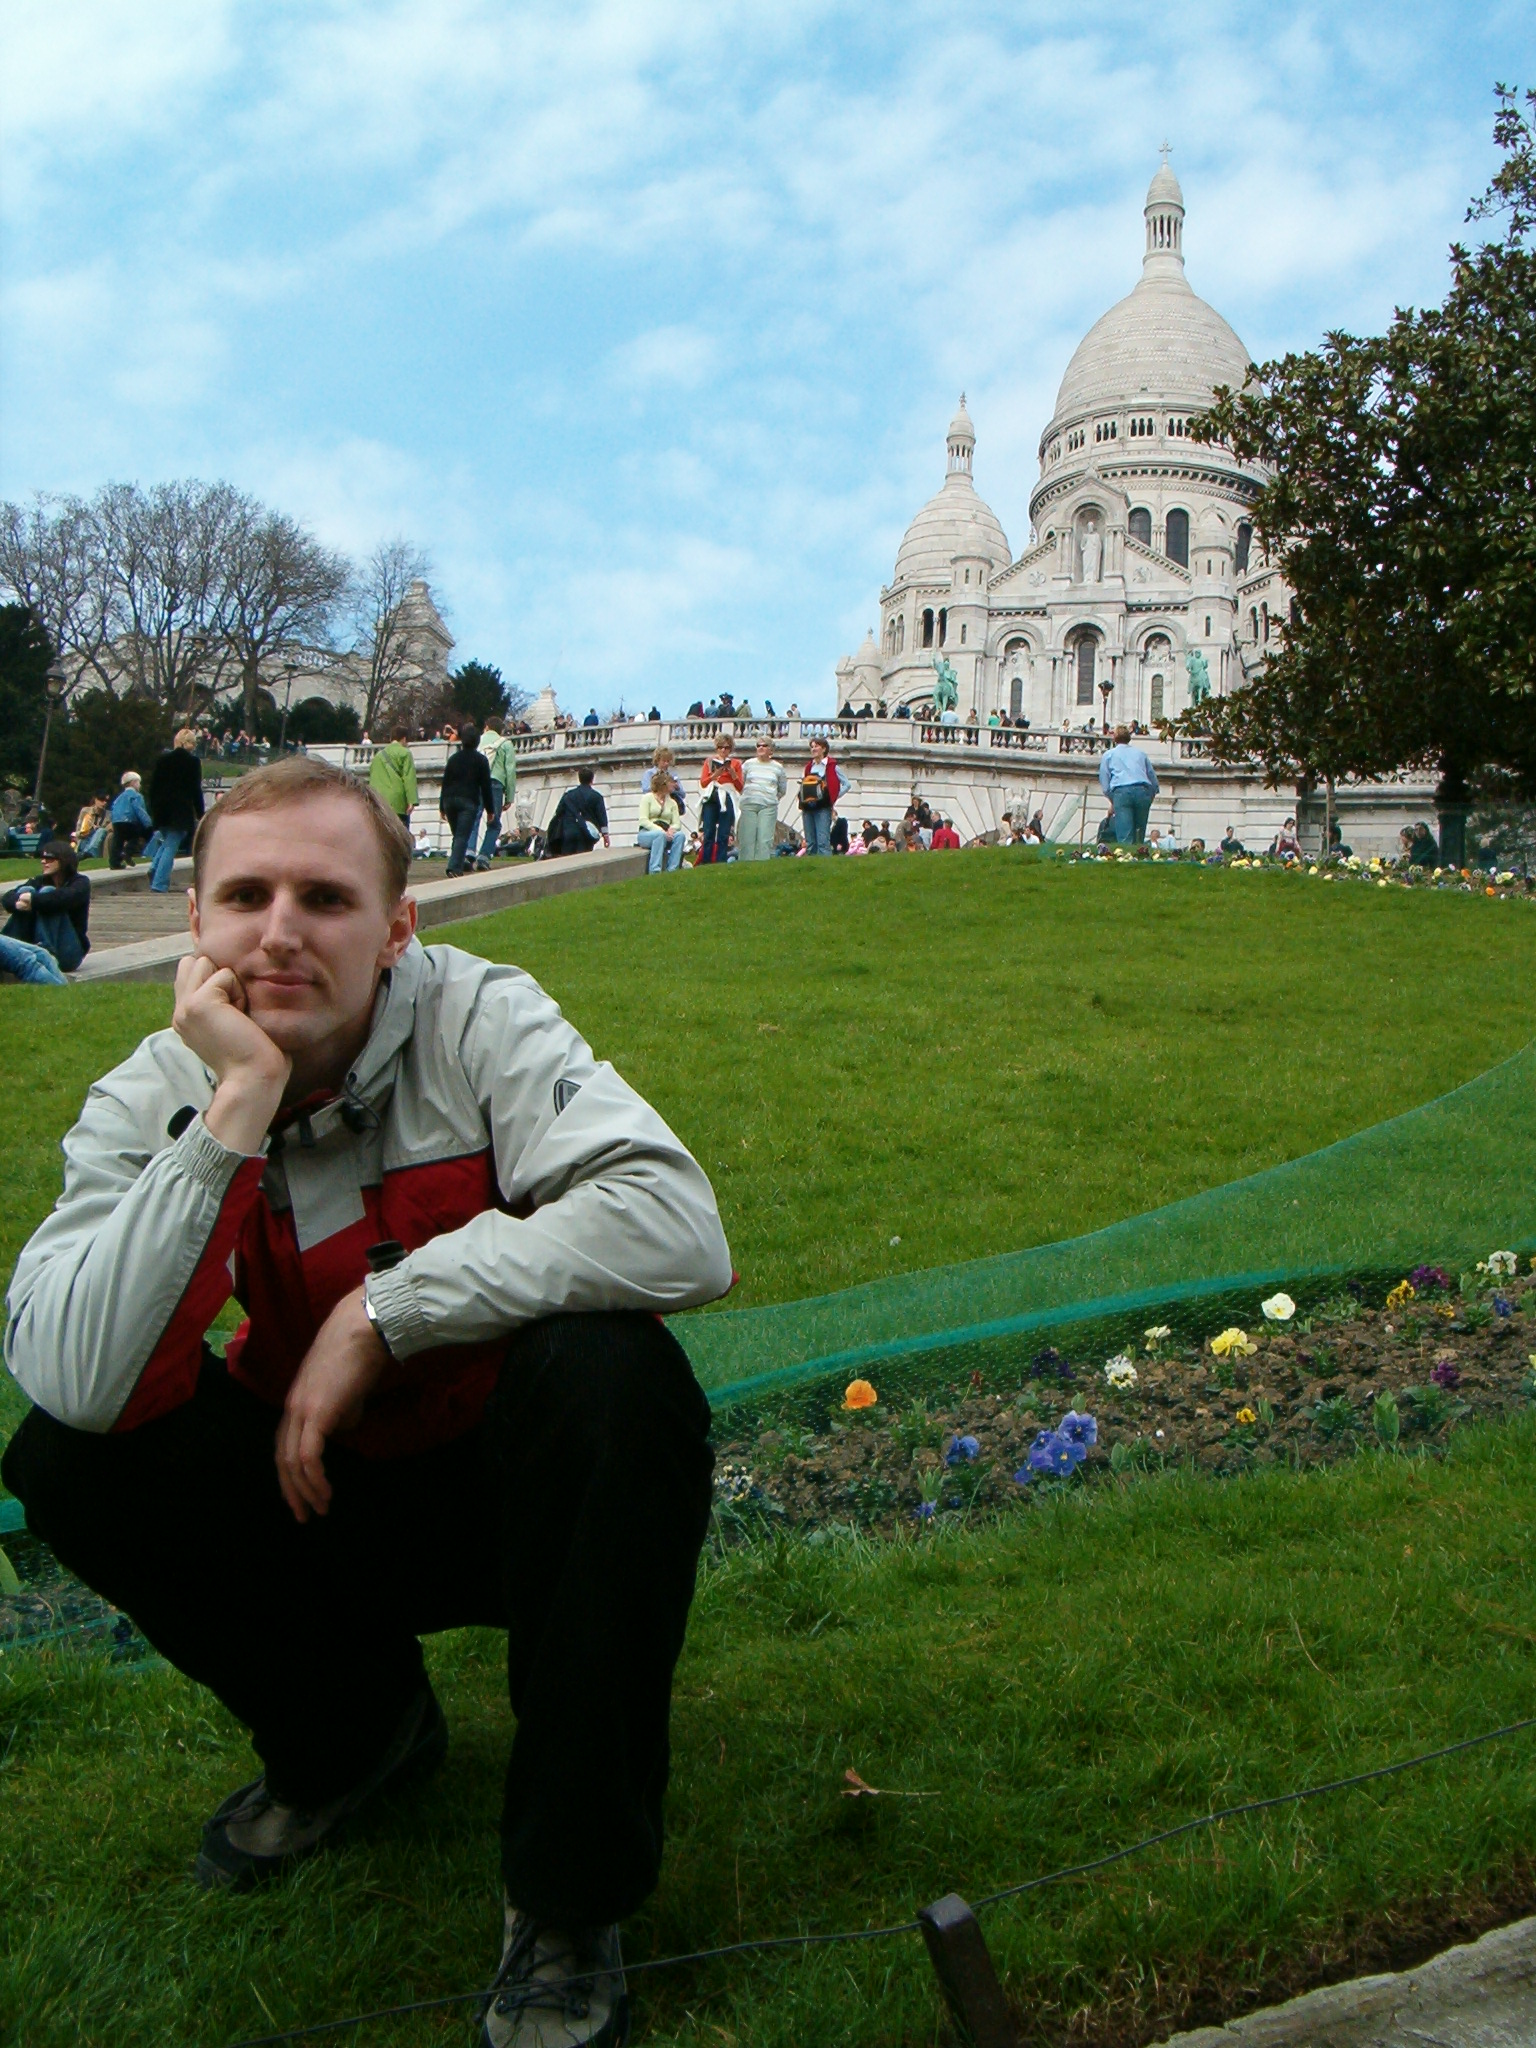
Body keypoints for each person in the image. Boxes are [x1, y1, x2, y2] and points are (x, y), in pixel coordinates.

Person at [0, 755, 731, 2046]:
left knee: (619, 1376)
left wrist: (384, 1314)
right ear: (199, 925)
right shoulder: (155, 1089)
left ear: (398, 926)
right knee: (68, 1459)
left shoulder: (485, 1018)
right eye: (247, 896)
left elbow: (675, 1224)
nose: (281, 931)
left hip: (513, 1494)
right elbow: (73, 1378)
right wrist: (236, 1105)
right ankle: (355, 1739)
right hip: (311, 1501)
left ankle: (566, 1895)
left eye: (327, 899)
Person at [0, 840, 91, 981]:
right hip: (36, 946)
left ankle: (47, 950)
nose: (43, 862)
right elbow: (7, 898)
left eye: (49, 859)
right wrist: (18, 903)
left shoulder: (80, 883)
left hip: (68, 952)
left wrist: (33, 901)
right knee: (26, 891)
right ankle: (10, 942)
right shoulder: (40, 880)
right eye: (42, 858)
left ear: (64, 861)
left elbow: (62, 898)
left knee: (47, 893)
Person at [147, 728, 206, 892]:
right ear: (187, 743)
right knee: (172, 845)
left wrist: (153, 810)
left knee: (167, 841)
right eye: (192, 743)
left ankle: (155, 867)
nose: (194, 746)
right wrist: (200, 813)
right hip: (180, 810)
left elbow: (153, 788)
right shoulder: (192, 762)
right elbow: (195, 790)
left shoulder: (162, 760)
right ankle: (160, 882)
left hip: (162, 810)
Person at [439, 724, 495, 877]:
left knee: (457, 835)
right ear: (477, 742)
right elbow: (486, 787)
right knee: (462, 835)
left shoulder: (453, 759)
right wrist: (490, 810)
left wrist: (441, 807)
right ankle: (454, 867)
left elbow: (445, 783)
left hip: (449, 800)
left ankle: (460, 861)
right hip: (467, 801)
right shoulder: (481, 761)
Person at [1097, 725, 1159, 846]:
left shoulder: (1109, 755)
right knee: (1139, 831)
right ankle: (1139, 855)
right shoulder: (1141, 754)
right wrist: (1151, 795)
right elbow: (1152, 777)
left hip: (1121, 791)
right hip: (1143, 790)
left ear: (1115, 738)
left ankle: (1126, 857)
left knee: (1125, 833)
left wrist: (1113, 799)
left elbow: (1104, 781)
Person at [477, 721, 518, 871]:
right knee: (494, 823)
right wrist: (509, 796)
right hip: (495, 783)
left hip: (478, 783)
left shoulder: (478, 741)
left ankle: (467, 852)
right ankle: (484, 856)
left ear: (486, 727)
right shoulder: (505, 744)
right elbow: (510, 771)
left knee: (474, 818)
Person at [737, 738, 786, 862]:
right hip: (749, 804)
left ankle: (762, 866)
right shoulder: (748, 764)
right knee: (747, 838)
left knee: (765, 839)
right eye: (758, 745)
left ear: (771, 749)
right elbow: (740, 784)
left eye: (764, 745)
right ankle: (745, 865)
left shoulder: (778, 767)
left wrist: (772, 798)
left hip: (768, 805)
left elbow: (782, 789)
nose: (761, 748)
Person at [698, 734, 743, 865]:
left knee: (724, 832)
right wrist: (714, 775)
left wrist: (732, 773)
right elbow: (703, 783)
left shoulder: (736, 763)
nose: (723, 750)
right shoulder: (709, 762)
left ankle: (720, 861)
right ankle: (706, 861)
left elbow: (740, 787)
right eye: (720, 747)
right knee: (709, 830)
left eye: (726, 748)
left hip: (728, 794)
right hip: (713, 793)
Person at [545, 766, 609, 857]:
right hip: (586, 833)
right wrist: (605, 835)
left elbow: (559, 812)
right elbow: (602, 817)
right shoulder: (597, 796)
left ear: (579, 779)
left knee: (567, 859)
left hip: (568, 831)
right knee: (583, 859)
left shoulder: (568, 795)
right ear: (592, 780)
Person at [368, 728, 418, 832]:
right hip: (397, 801)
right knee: (401, 835)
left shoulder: (378, 756)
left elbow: (372, 778)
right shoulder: (405, 753)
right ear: (404, 739)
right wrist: (412, 800)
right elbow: (409, 777)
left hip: (379, 801)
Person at [797, 736, 840, 855]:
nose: (813, 749)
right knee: (810, 841)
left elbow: (845, 784)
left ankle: (825, 866)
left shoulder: (832, 766)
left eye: (816, 746)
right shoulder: (809, 767)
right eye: (812, 747)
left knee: (822, 841)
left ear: (824, 749)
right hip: (808, 806)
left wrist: (832, 796)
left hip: (823, 806)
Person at [635, 769, 685, 873]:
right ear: (663, 785)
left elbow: (677, 823)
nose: (674, 785)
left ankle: (672, 869)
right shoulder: (647, 798)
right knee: (659, 835)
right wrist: (661, 831)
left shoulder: (672, 803)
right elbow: (643, 820)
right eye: (671, 783)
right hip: (647, 833)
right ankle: (655, 870)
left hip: (667, 832)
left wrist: (671, 830)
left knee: (680, 836)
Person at [109, 770, 154, 868]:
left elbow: (113, 809)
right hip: (129, 821)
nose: (140, 785)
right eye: (139, 783)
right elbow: (140, 811)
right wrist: (148, 824)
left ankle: (114, 863)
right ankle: (127, 853)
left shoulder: (119, 798)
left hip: (117, 822)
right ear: (133, 782)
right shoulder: (136, 796)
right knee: (135, 836)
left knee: (117, 840)